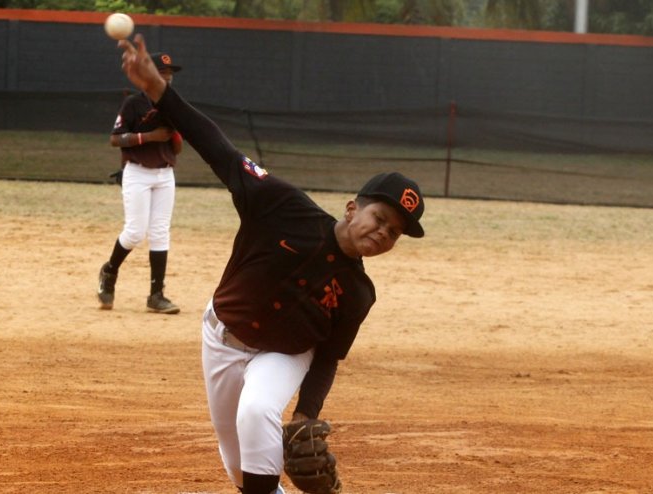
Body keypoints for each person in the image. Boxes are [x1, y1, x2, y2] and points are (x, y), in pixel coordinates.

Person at [118, 36, 426, 494]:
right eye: (380, 219)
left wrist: (305, 414)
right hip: (222, 337)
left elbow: (327, 357)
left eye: (395, 232)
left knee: (258, 409)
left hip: (285, 352)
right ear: (351, 209)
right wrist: (159, 91)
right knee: (237, 466)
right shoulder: (281, 205)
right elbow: (216, 146)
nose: (383, 233)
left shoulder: (359, 293)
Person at [98, 51, 184, 314]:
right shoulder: (134, 103)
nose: (167, 77)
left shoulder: (174, 104)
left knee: (160, 232)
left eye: (170, 74)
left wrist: (175, 134)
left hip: (164, 173)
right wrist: (149, 137)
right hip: (137, 172)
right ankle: (109, 271)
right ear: (150, 75)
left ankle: (156, 295)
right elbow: (115, 139)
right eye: (162, 72)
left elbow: (177, 147)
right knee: (135, 231)